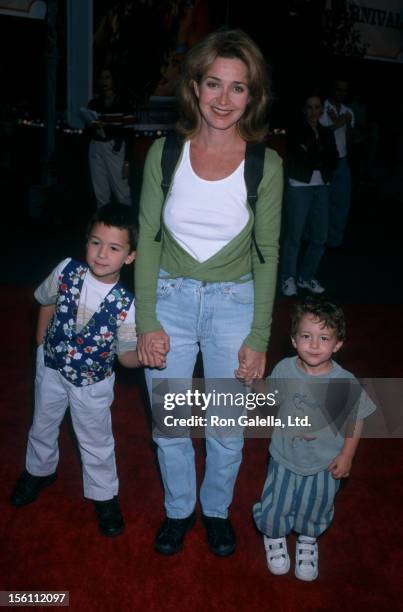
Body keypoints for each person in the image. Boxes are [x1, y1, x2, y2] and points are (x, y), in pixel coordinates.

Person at [135, 29, 283, 557]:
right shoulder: (163, 154)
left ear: (252, 95)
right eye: (214, 84)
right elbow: (148, 241)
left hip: (234, 305)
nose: (224, 99)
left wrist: (260, 334)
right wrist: (146, 319)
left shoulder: (266, 165)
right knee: (170, 426)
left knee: (226, 426)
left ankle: (216, 510)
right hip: (168, 299)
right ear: (195, 87)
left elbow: (268, 255)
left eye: (237, 88)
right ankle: (180, 510)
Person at [9, 205, 161, 536]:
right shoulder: (66, 270)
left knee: (95, 441)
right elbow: (45, 299)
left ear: (131, 256)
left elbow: (125, 358)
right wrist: (39, 342)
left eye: (114, 248)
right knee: (42, 423)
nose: (101, 254)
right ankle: (39, 470)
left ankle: (104, 495)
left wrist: (147, 356)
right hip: (49, 366)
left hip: (92, 383)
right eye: (95, 242)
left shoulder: (128, 305)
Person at [253, 298, 376, 581]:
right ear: (294, 340)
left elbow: (356, 419)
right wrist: (253, 383)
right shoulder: (284, 369)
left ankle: (308, 539)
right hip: (284, 456)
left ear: (338, 344)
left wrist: (347, 455)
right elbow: (269, 401)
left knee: (317, 504)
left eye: (324, 338)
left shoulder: (344, 382)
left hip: (324, 462)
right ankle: (273, 534)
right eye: (306, 336)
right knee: (276, 503)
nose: (314, 344)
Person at [281, 92, 338, 297]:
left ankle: (306, 276)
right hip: (300, 185)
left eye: (317, 107)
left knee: (320, 236)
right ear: (304, 110)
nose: (314, 111)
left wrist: (314, 154)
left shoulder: (326, 132)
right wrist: (317, 155)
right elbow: (302, 158)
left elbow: (333, 159)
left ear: (321, 110)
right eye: (311, 107)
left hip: (322, 185)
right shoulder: (296, 130)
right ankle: (288, 278)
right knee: (294, 236)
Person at [86, 67, 133, 208]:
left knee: (121, 190)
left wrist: (127, 160)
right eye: (102, 78)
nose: (104, 81)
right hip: (96, 146)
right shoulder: (94, 104)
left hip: (115, 147)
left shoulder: (123, 103)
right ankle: (103, 225)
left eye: (108, 77)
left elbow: (129, 132)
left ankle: (127, 224)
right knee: (100, 191)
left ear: (113, 80)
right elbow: (88, 130)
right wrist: (94, 126)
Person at [319, 78, 355, 247]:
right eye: (339, 89)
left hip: (342, 159)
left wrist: (345, 124)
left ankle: (334, 240)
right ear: (333, 90)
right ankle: (318, 237)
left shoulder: (348, 111)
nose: (342, 93)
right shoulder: (322, 106)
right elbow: (324, 130)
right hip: (325, 160)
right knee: (322, 202)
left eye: (345, 90)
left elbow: (348, 137)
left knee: (342, 202)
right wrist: (341, 121)